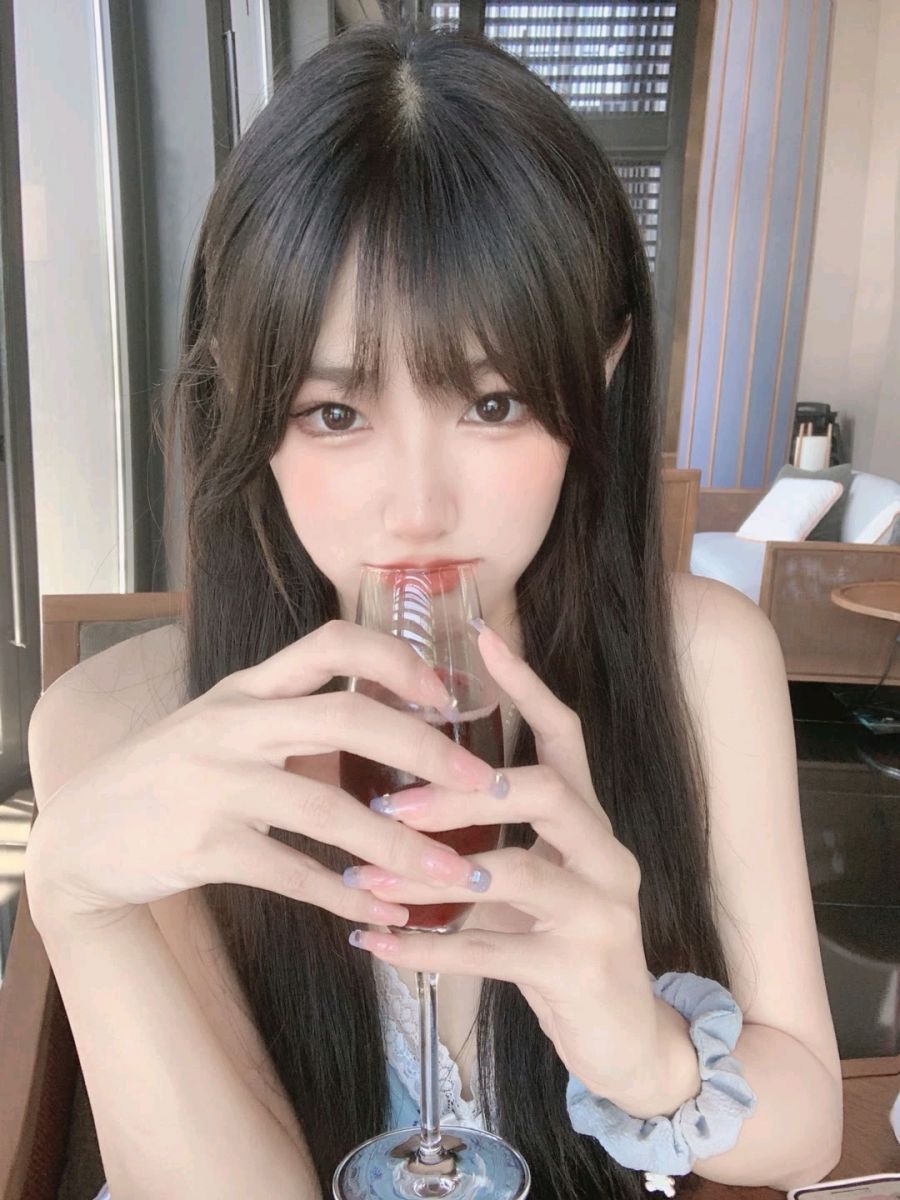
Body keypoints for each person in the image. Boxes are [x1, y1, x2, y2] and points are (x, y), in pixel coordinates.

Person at [24, 18, 843, 1200]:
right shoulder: (119, 724)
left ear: (602, 371)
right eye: (335, 414)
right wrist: (73, 897)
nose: (417, 509)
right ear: (245, 405)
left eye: (493, 402)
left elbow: (809, 1128)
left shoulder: (700, 660)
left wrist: (647, 1052)